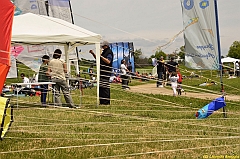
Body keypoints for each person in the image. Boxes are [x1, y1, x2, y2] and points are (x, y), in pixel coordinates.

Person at [89, 41, 113, 105]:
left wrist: (101, 56)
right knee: (101, 88)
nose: (102, 47)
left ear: (106, 46)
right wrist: (93, 53)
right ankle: (102, 101)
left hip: (106, 73)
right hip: (101, 72)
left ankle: (106, 102)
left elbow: (108, 61)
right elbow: (98, 59)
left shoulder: (109, 52)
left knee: (105, 88)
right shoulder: (104, 52)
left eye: (103, 46)